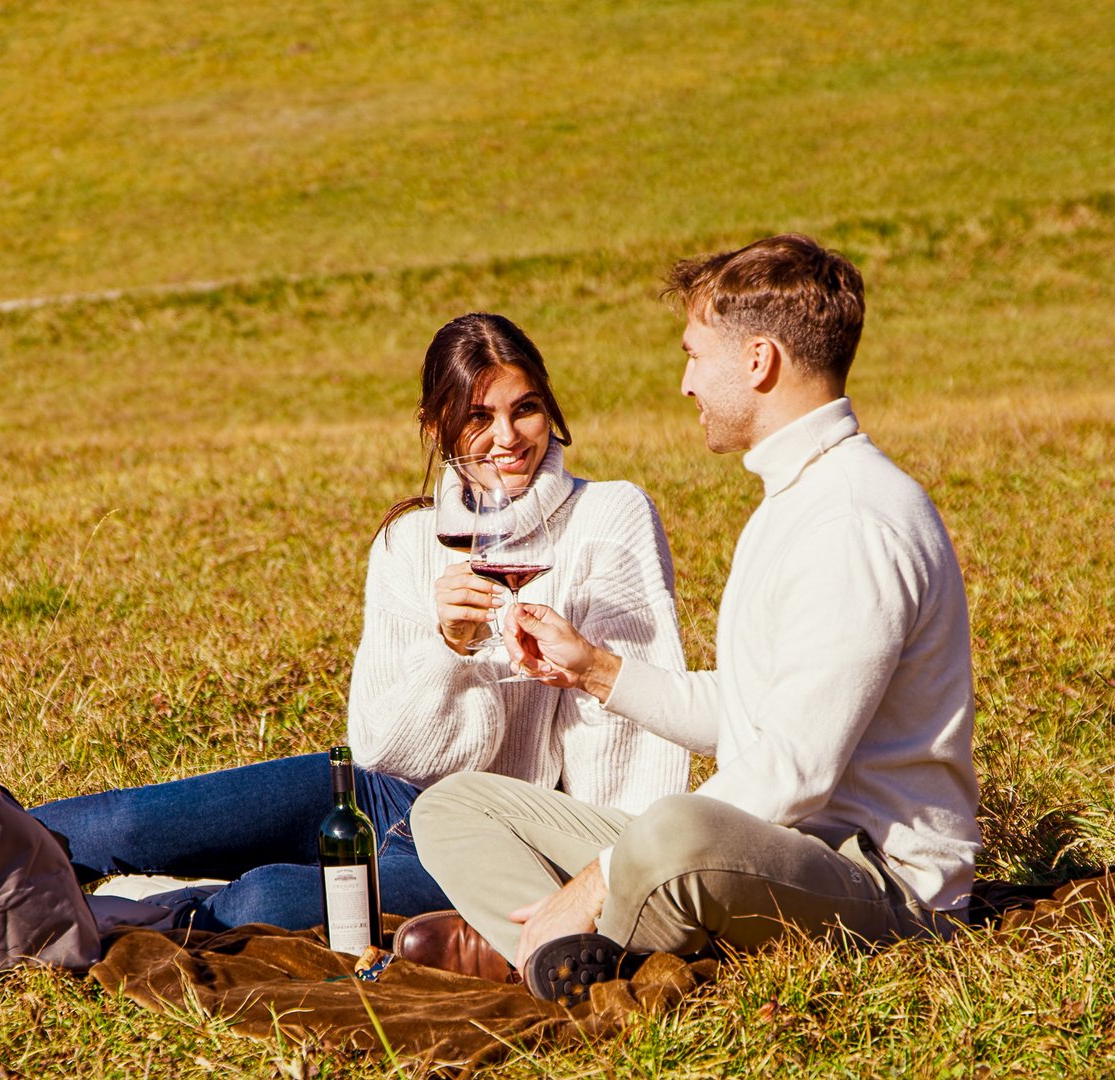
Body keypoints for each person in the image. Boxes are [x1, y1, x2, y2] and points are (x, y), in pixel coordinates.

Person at [411, 235, 983, 1005]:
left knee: (673, 830)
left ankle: (565, 937)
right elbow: (752, 714)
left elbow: (794, 771)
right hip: (773, 849)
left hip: (882, 890)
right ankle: (566, 955)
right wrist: (594, 671)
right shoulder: (794, 500)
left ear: (758, 361)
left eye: (693, 354)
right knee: (454, 807)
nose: (684, 382)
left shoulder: (852, 520)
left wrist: (597, 875)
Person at [28, 312, 689, 935]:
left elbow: (636, 727)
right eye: (479, 417)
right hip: (388, 797)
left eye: (526, 409)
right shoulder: (409, 542)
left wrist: (607, 869)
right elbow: (380, 746)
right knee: (121, 823)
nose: (508, 438)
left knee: (264, 898)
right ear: (437, 429)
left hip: (505, 836)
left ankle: (94, 916)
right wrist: (449, 652)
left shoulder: (609, 515)